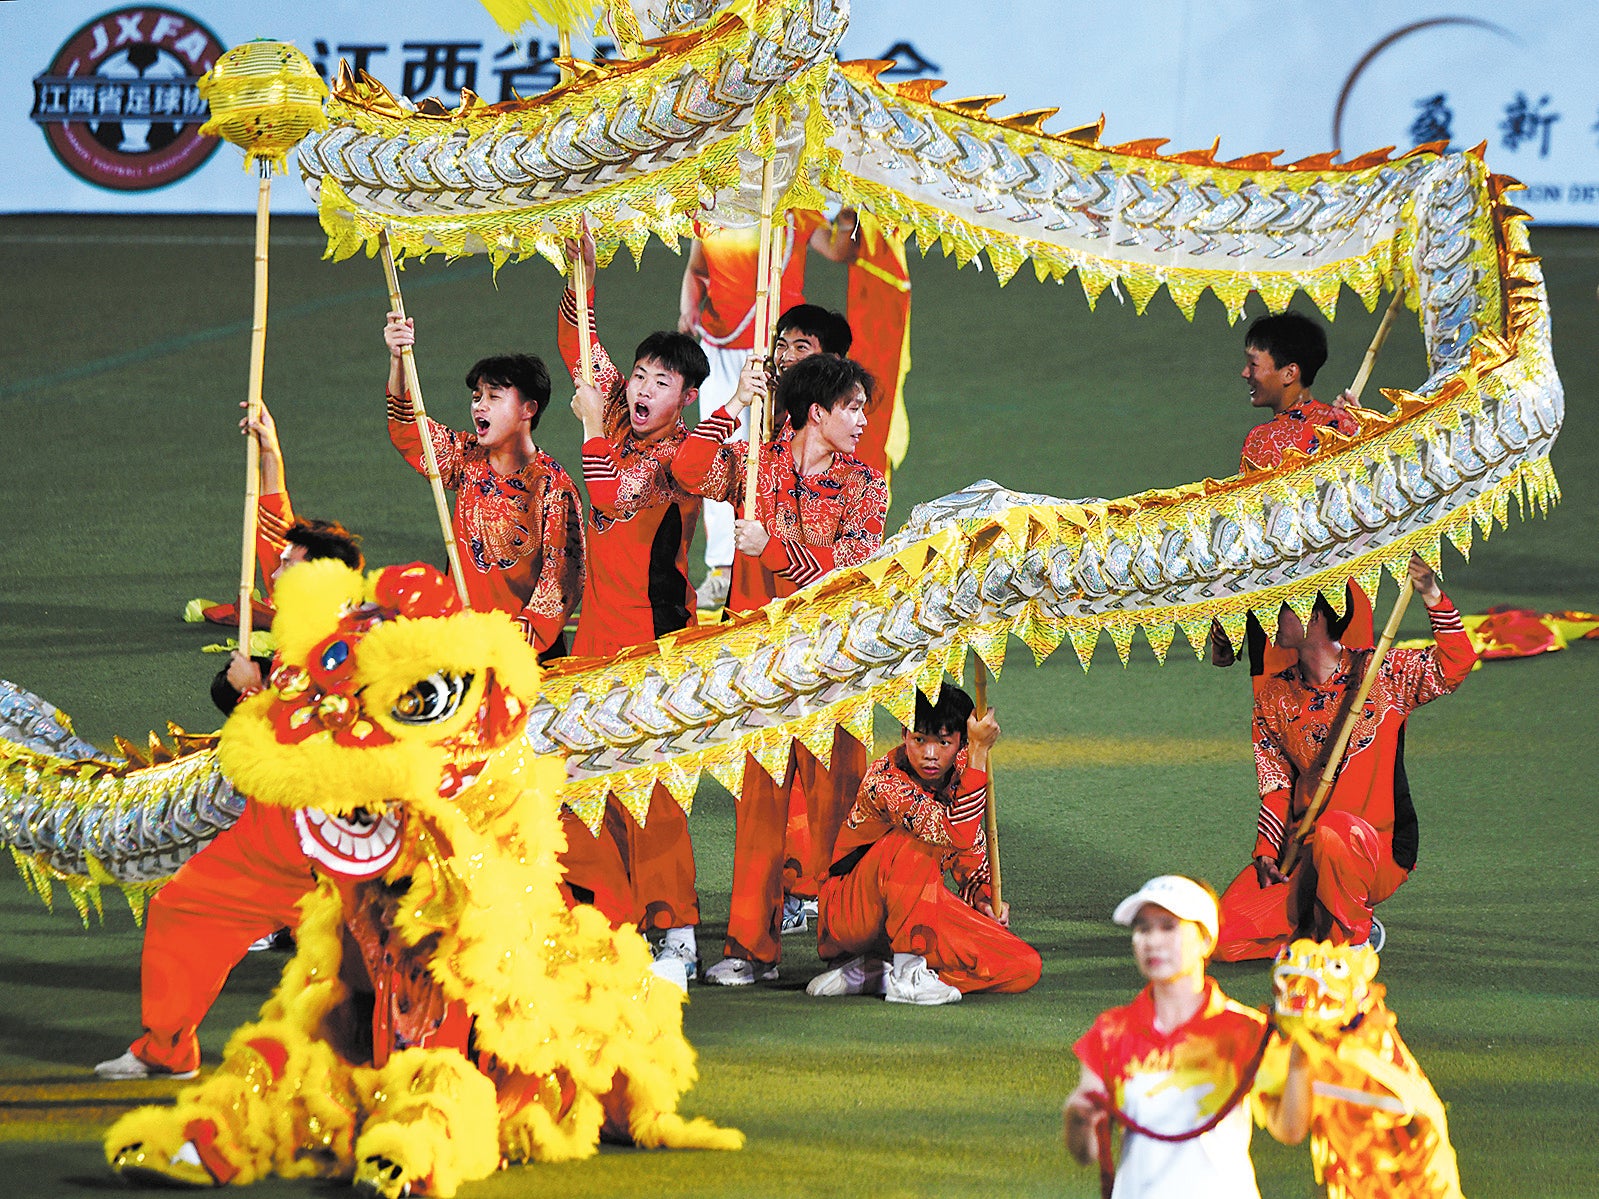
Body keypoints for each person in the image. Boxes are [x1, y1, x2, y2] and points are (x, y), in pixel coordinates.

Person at [94, 409, 368, 1081]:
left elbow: (315, 746)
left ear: (326, 580)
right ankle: (167, 1048)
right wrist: (270, 456)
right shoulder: (301, 629)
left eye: (291, 566)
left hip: (334, 856)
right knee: (179, 905)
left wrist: (253, 692)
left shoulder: (354, 647)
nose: (277, 569)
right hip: (265, 845)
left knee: (368, 973)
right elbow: (277, 528)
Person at [672, 354, 886, 985]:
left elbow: (857, 570)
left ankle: (848, 954)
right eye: (851, 407)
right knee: (758, 811)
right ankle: (748, 950)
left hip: (834, 672)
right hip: (763, 668)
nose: (861, 420)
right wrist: (735, 402)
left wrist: (778, 550)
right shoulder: (755, 466)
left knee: (837, 811)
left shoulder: (865, 483)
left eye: (865, 409)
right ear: (815, 413)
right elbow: (685, 469)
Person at [559, 259, 712, 979]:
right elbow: (578, 345)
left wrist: (591, 426)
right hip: (594, 635)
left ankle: (675, 930)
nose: (644, 388)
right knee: (586, 779)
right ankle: (613, 918)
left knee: (650, 786)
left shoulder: (683, 456)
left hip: (652, 641)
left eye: (661, 382)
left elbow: (613, 495)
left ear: (685, 397)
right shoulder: (617, 412)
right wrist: (576, 271)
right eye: (640, 376)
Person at [1215, 555, 1477, 961]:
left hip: (1376, 850)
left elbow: (1455, 664)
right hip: (1306, 854)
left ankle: (1351, 941)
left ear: (1315, 616)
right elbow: (1275, 781)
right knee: (1221, 938)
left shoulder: (1380, 673)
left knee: (1336, 831)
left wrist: (1431, 594)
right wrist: (1267, 850)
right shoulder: (1274, 695)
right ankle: (1319, 929)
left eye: (1279, 611)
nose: (1269, 622)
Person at [1064, 875, 1311, 1198]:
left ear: (1206, 940)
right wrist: (1078, 1119)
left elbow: (1290, 1129)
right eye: (1142, 928)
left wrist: (1301, 1058)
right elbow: (1086, 1153)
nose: (1152, 941)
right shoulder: (1111, 1031)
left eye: (1169, 926)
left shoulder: (1246, 1029)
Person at [804, 684, 1039, 1004]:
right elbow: (953, 833)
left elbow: (969, 853)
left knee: (1022, 965)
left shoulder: (961, 773)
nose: (930, 754)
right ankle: (908, 972)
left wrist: (982, 899)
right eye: (919, 740)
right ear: (904, 735)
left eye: (943, 742)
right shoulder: (886, 781)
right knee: (915, 844)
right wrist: (980, 754)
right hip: (852, 913)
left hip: (918, 909)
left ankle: (881, 975)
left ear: (960, 743)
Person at [678, 209, 859, 608]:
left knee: (790, 461)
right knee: (730, 464)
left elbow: (839, 249)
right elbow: (697, 269)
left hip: (778, 349)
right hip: (720, 346)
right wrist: (687, 311)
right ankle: (723, 569)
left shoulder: (795, 207)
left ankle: (793, 569)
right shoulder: (710, 209)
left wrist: (847, 217)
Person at [382, 315, 583, 661]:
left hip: (524, 655)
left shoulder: (553, 488)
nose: (479, 406)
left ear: (528, 409)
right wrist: (398, 360)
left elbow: (561, 581)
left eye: (494, 396)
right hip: (462, 643)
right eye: (476, 397)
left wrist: (509, 644)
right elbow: (409, 430)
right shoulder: (466, 459)